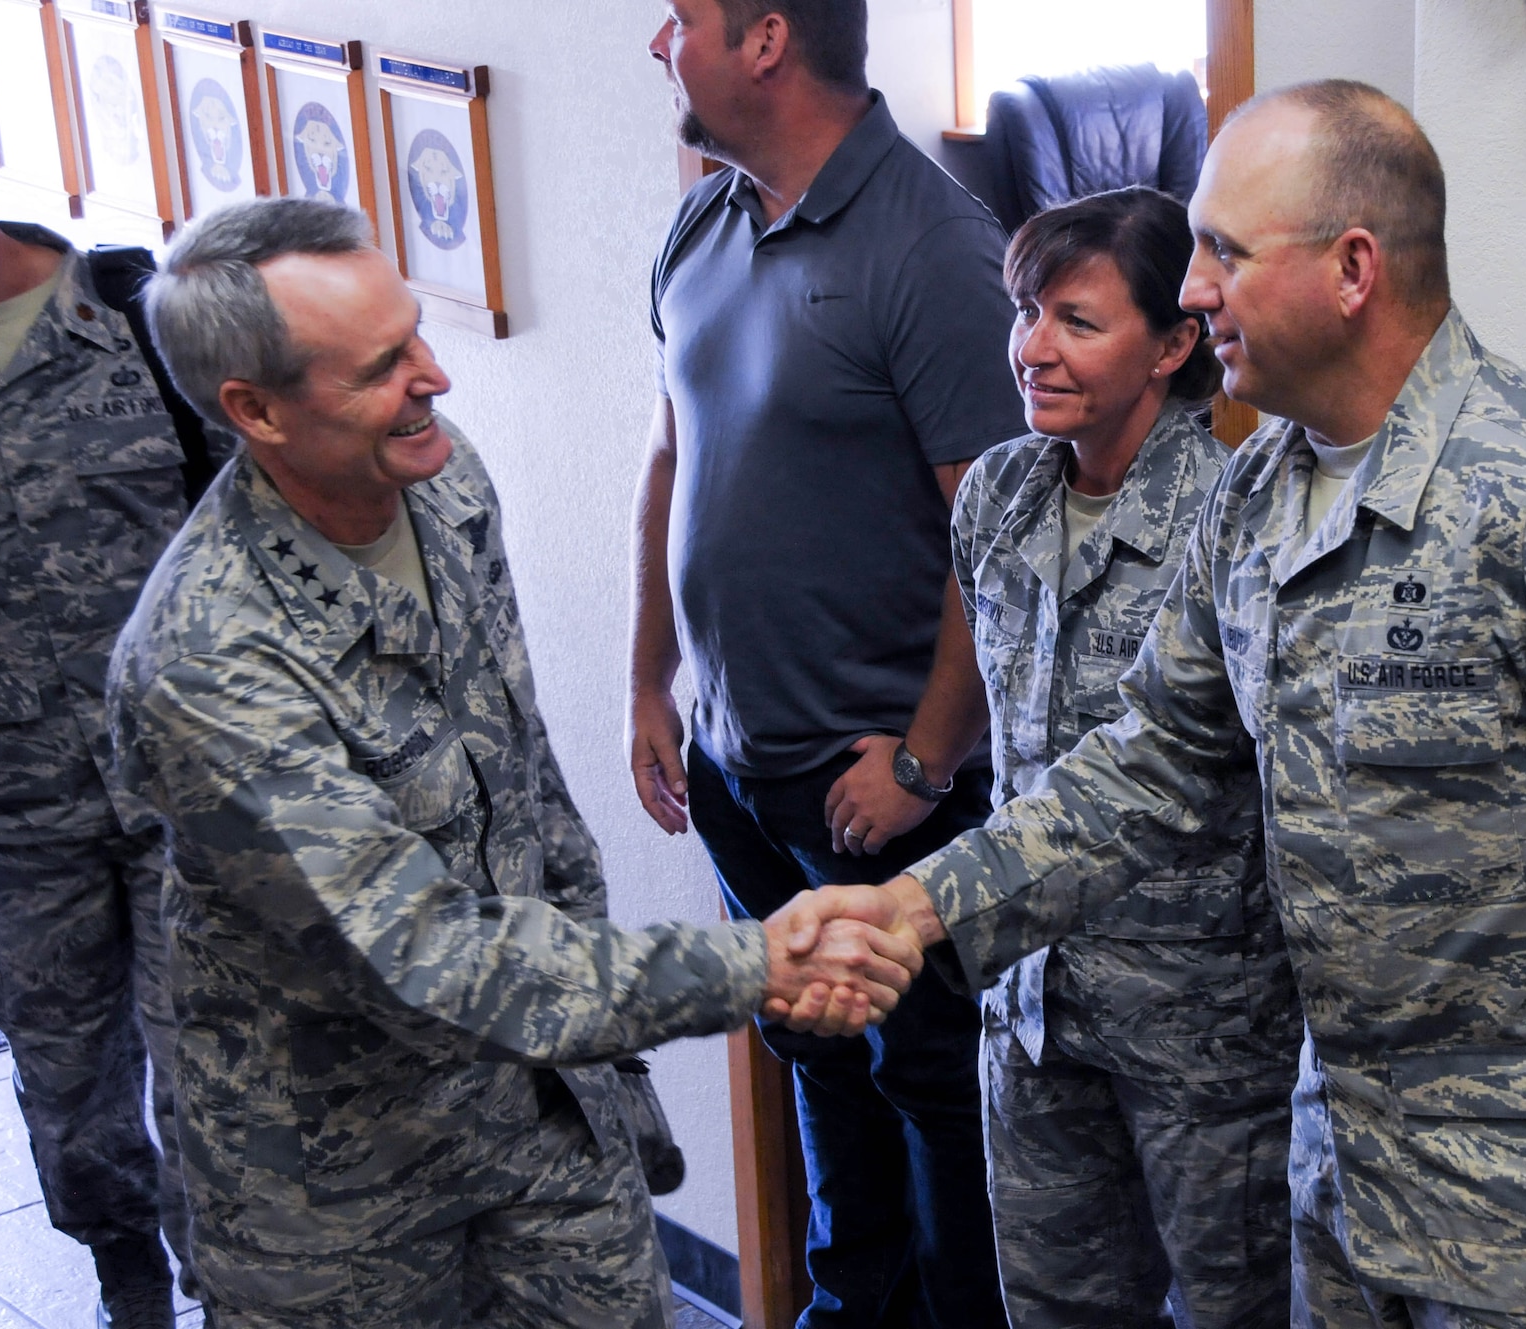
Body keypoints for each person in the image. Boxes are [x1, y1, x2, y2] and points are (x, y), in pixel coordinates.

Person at [793, 81, 1526, 1328]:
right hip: (1345, 1192)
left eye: (1224, 253)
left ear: (1352, 268)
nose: (1194, 290)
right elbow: (1143, 764)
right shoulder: (1254, 499)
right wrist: (918, 906)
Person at [107, 197, 923, 1329]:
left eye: (417, 333)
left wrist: (610, 1067)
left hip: (538, 1109)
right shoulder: (205, 661)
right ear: (256, 409)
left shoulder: (441, 486)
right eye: (381, 364)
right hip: (335, 1184)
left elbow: (524, 782)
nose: (433, 377)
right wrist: (754, 965)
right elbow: (425, 960)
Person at [634, 2, 1019, 1323]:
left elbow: (999, 544)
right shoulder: (706, 217)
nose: (657, 44)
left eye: (678, 18)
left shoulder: (935, 246)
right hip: (737, 766)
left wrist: (927, 756)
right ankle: (853, 1309)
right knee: (810, 1053)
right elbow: (670, 462)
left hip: (878, 789)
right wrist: (649, 681)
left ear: (765, 42)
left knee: (929, 1085)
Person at [956, 186, 1300, 1328]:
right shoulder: (998, 496)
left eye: (1075, 321)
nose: (1032, 350)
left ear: (1171, 344)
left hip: (1200, 1032)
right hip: (1032, 1002)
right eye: (1025, 313)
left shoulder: (1238, 517)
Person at [0, 79, 193, 1328]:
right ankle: (129, 1288)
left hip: (180, 793)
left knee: (222, 1075)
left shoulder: (137, 317)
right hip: (7, 820)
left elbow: (250, 535)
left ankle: (245, 1289)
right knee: (69, 1094)